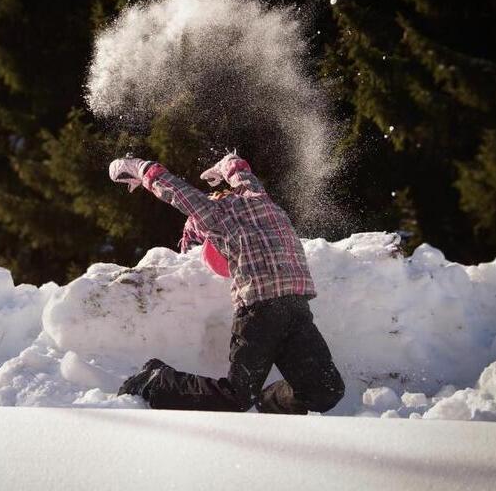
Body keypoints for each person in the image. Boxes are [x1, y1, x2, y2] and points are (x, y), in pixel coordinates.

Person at [108, 153, 345, 414]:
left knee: (327, 391)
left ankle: (268, 405)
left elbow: (226, 171)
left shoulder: (248, 199)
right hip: (259, 312)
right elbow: (187, 186)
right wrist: (141, 169)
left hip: (296, 309)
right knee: (236, 397)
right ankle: (156, 380)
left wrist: (140, 168)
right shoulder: (226, 210)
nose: (218, 195)